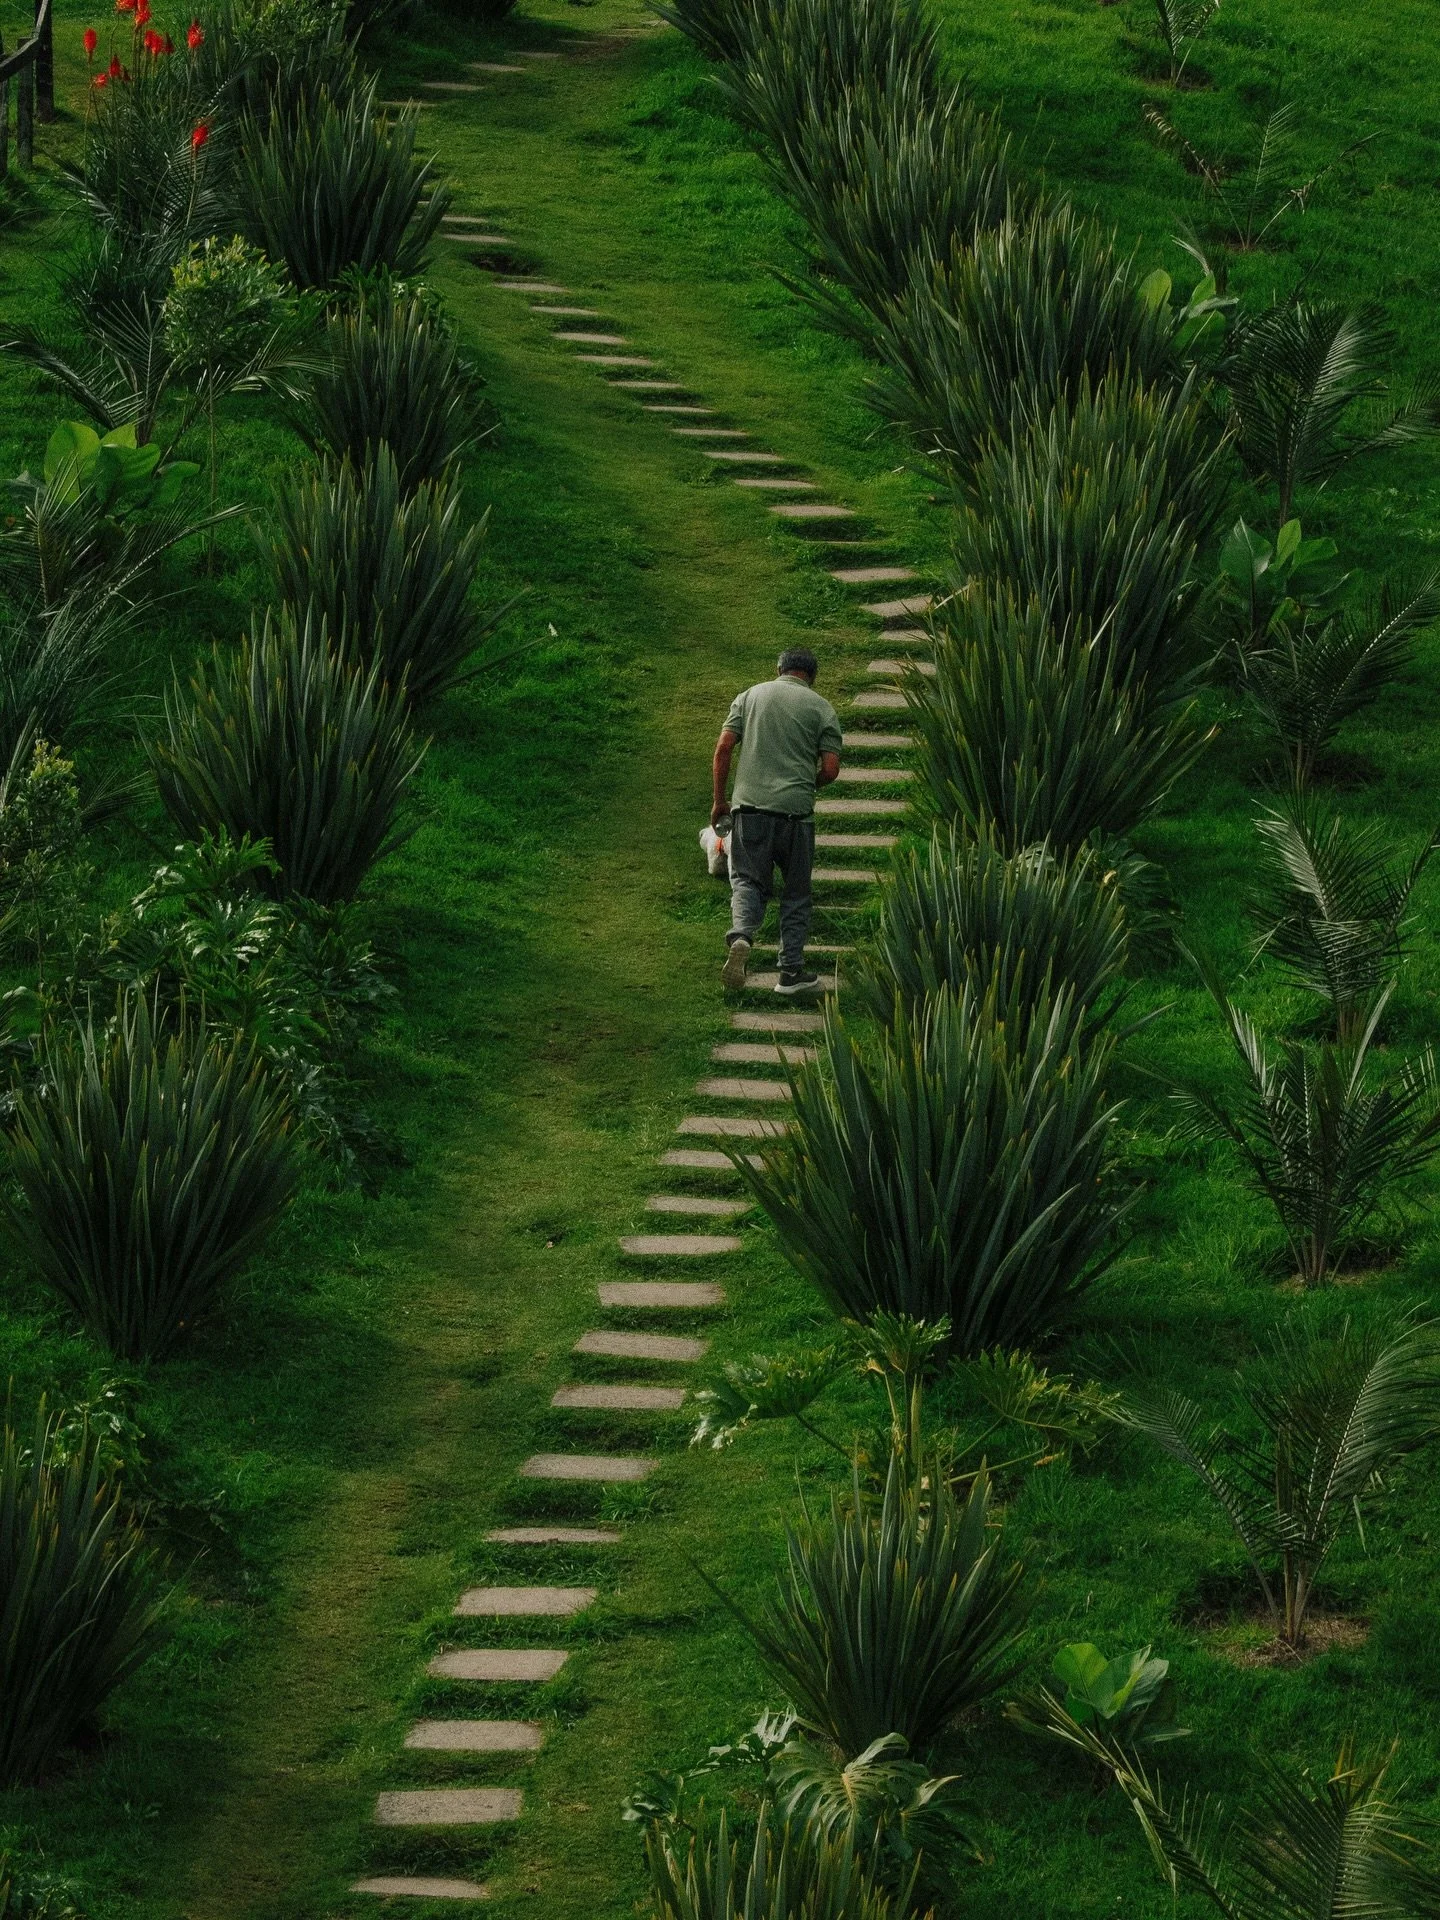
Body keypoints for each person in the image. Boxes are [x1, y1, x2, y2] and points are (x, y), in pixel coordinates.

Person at [710, 647, 842, 994]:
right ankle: (791, 974)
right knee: (796, 892)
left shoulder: (750, 696)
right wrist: (810, 784)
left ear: (779, 669)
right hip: (796, 816)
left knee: (746, 881)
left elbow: (724, 747)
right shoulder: (822, 707)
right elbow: (830, 769)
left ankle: (741, 936)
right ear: (812, 676)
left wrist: (720, 800)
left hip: (750, 811)